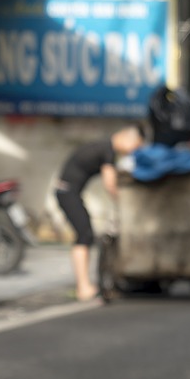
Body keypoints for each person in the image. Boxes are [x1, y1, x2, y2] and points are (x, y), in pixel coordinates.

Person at [55, 125, 145, 301]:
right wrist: (125, 204)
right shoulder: (107, 151)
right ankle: (83, 287)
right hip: (67, 192)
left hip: (69, 192)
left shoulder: (103, 146)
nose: (133, 151)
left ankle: (85, 285)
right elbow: (110, 183)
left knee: (85, 235)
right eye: (136, 146)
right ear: (127, 139)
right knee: (84, 235)